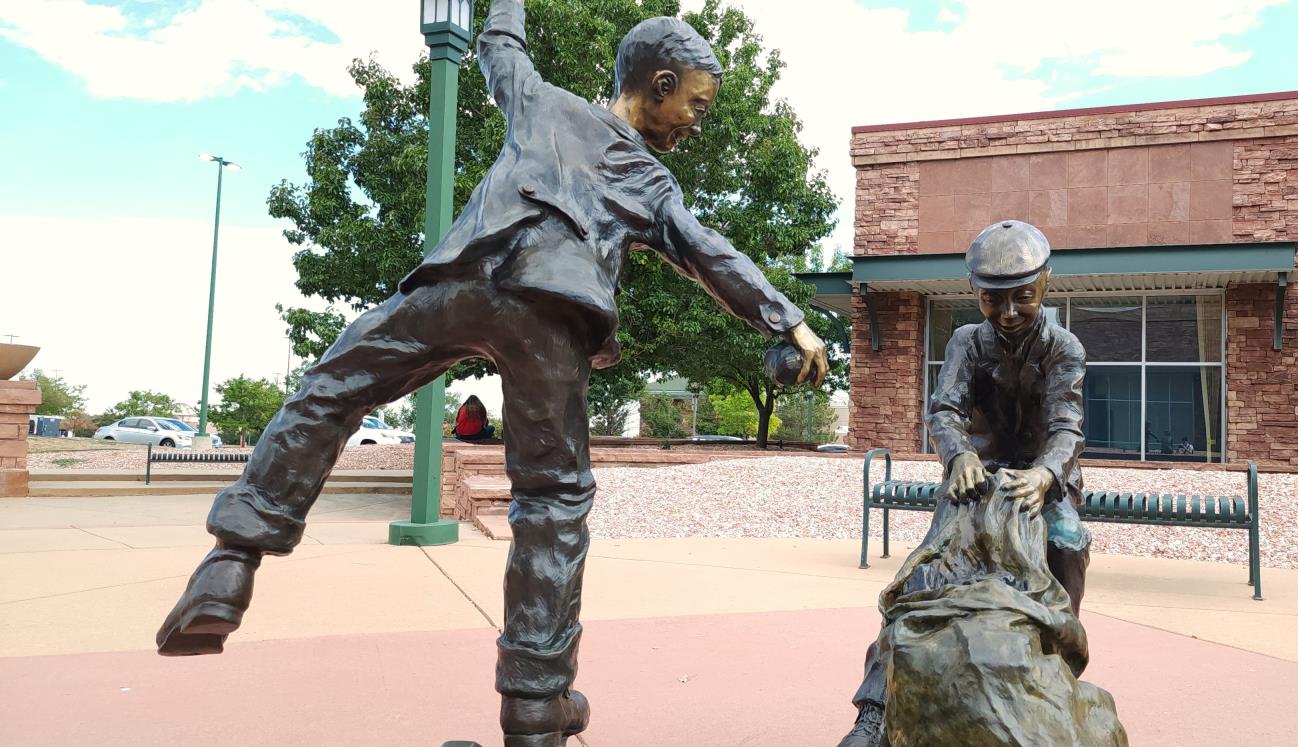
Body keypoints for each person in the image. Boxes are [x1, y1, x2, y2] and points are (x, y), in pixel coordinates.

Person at [154, 2, 829, 744]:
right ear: (660, 83)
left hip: (465, 285)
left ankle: (230, 562)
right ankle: (536, 707)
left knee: (335, 383)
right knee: (553, 500)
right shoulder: (649, 179)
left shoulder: (537, 100)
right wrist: (785, 318)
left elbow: (499, 40)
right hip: (551, 317)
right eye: (695, 104)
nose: (695, 123)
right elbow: (709, 253)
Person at [838, 220, 1091, 747]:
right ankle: (874, 711)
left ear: (1044, 284)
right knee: (924, 575)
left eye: (1021, 297)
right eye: (993, 300)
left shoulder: (1064, 348)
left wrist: (1046, 476)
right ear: (976, 293)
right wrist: (958, 458)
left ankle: (1060, 657)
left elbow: (1068, 426)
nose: (1009, 313)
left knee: (1068, 542)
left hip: (1044, 480)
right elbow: (944, 412)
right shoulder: (965, 342)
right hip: (974, 479)